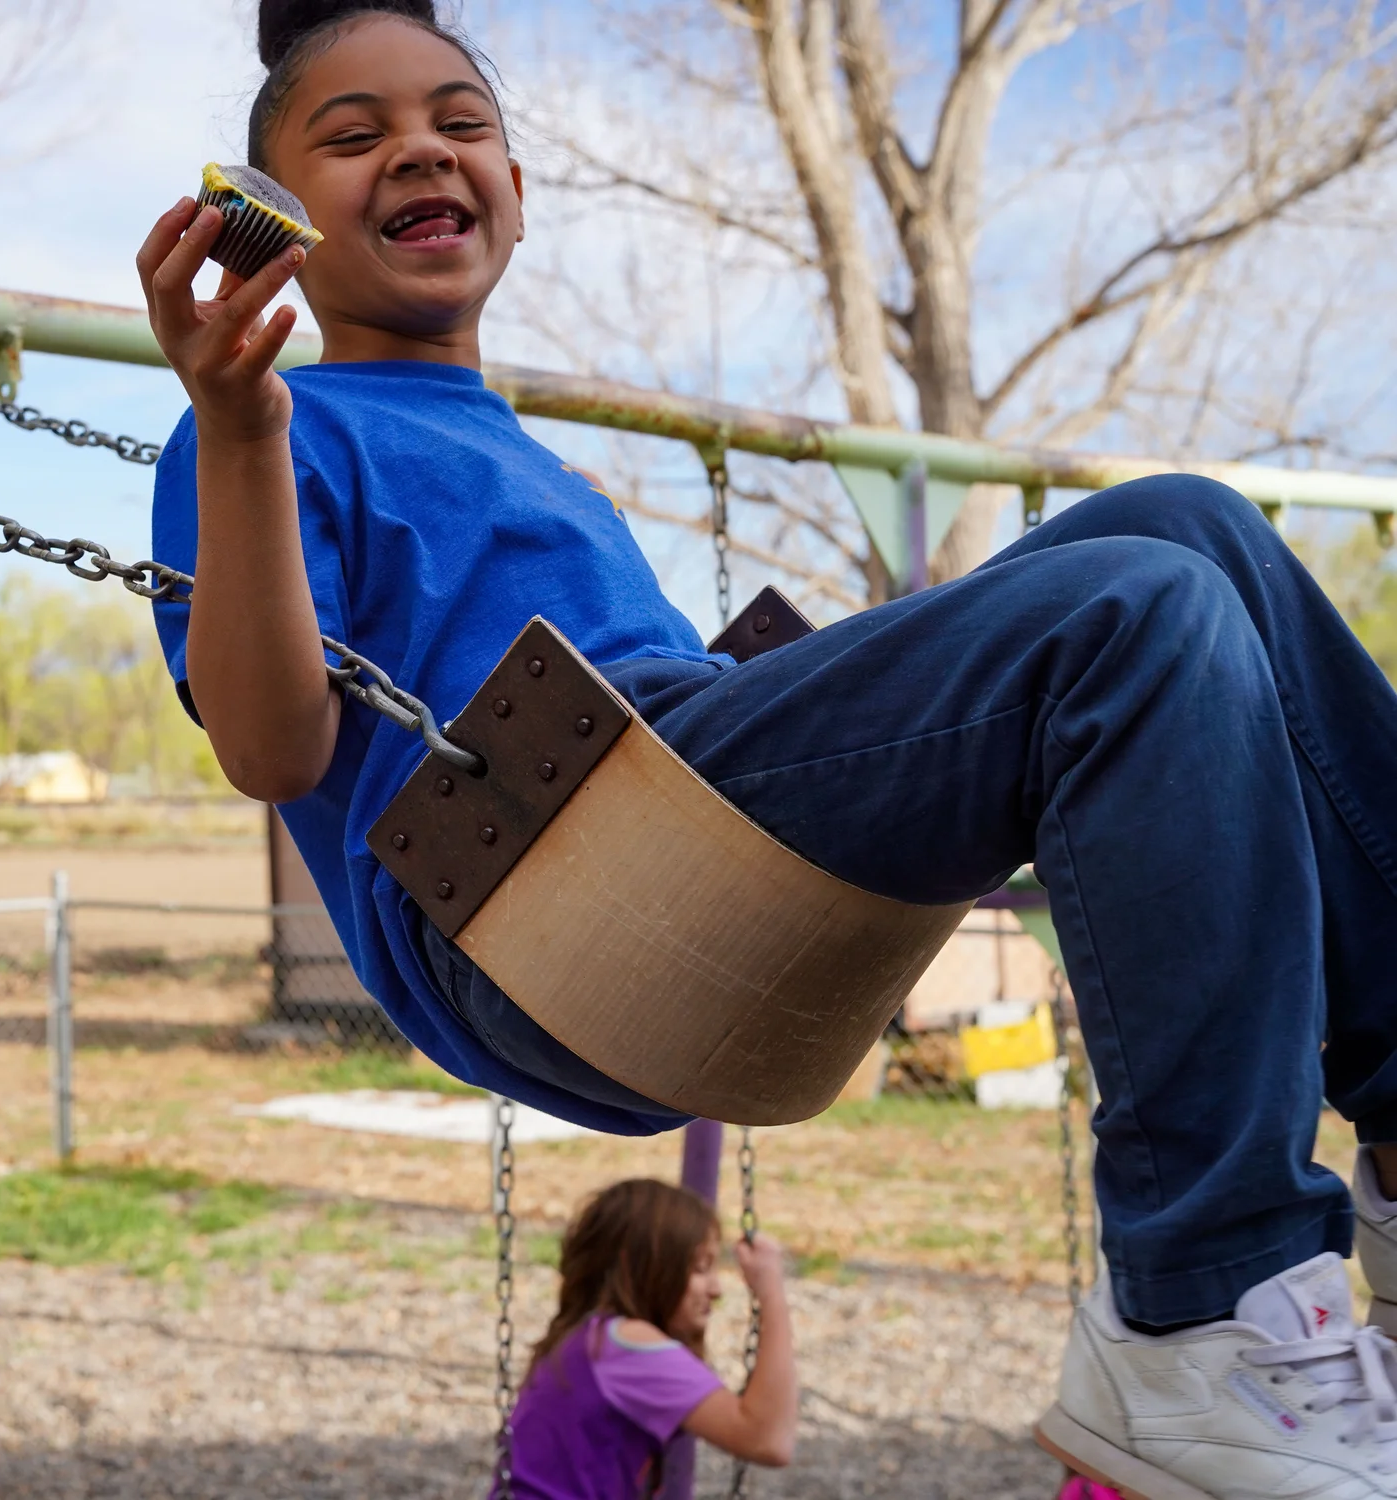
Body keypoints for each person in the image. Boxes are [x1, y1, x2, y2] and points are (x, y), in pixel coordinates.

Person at [137, 1, 1397, 1493]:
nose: (419, 147)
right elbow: (275, 754)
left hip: (668, 805)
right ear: (268, 219)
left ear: (517, 195)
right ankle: (1205, 1299)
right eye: (351, 138)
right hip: (536, 894)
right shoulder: (281, 433)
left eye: (459, 123)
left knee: (1186, 523)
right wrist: (230, 422)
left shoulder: (531, 462)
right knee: (1139, 607)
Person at [506, 1179, 794, 1499]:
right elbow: (768, 1440)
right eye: (700, 1268)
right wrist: (772, 1293)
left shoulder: (588, 1339)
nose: (716, 1290)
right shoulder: (625, 1346)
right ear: (639, 1265)